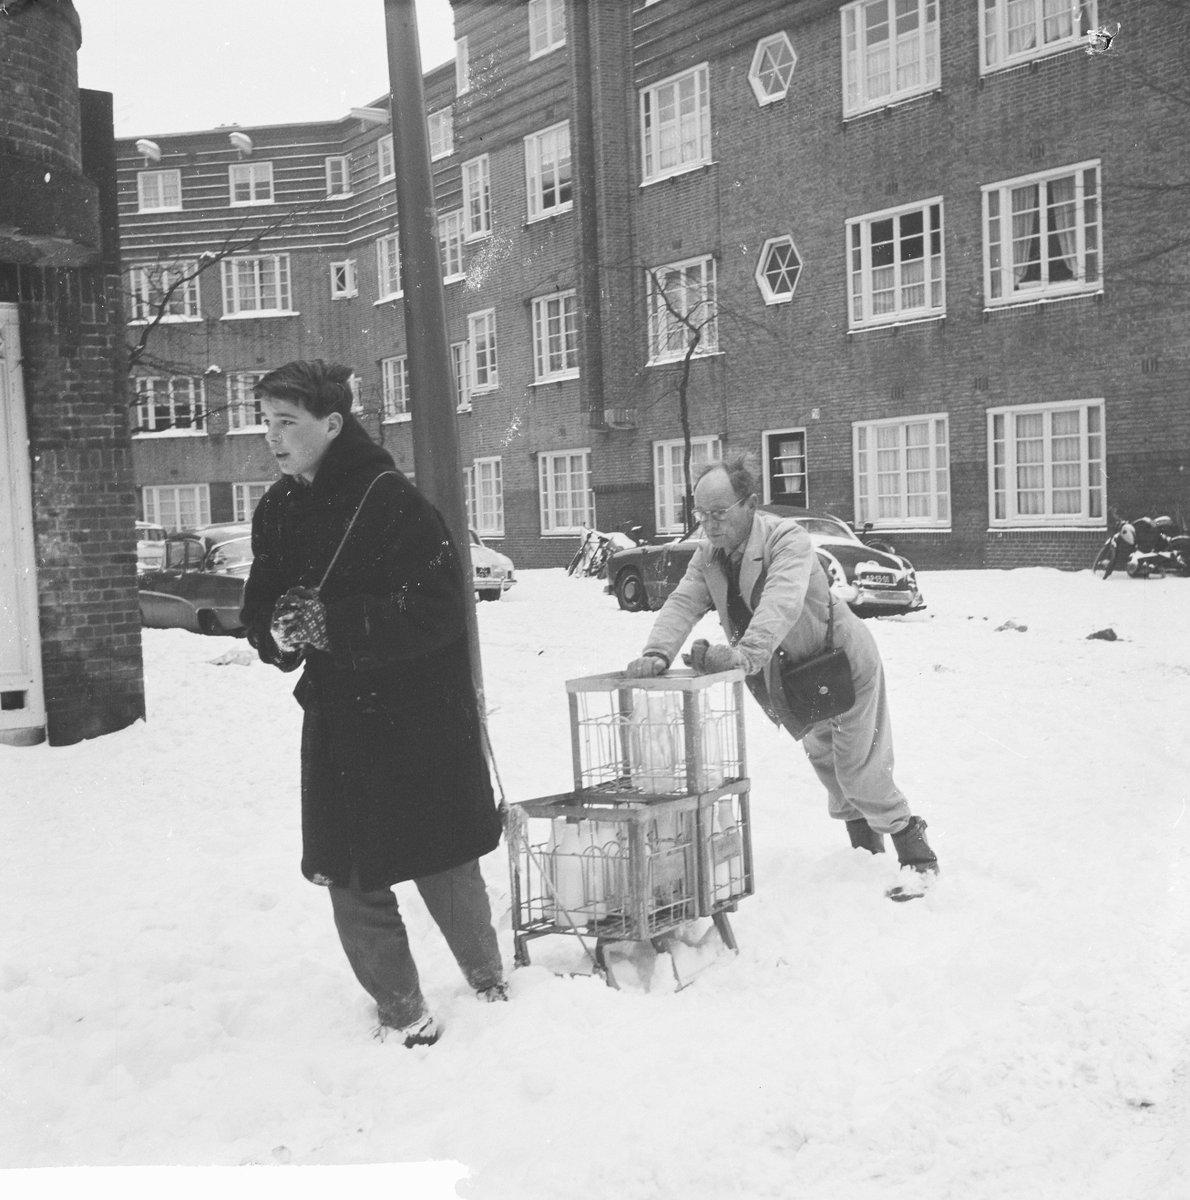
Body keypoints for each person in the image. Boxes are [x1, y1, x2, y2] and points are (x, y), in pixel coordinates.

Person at [240, 360, 506, 1047]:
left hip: (415, 715)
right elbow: (258, 609)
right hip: (338, 720)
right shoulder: (277, 510)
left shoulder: (392, 501)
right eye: (266, 422)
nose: (272, 437)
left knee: (442, 857)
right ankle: (402, 1012)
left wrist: (335, 623)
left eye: (286, 422)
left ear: (332, 424)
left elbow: (439, 608)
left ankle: (490, 985)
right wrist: (277, 633)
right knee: (349, 871)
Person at [626, 453, 939, 900]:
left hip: (843, 665)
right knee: (830, 769)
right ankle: (865, 860)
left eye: (719, 513)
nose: (709, 525)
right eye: (701, 514)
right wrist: (657, 653)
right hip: (798, 677)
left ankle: (917, 856)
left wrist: (745, 654)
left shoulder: (787, 540)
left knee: (860, 772)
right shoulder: (709, 555)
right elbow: (682, 602)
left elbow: (781, 601)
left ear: (749, 504)